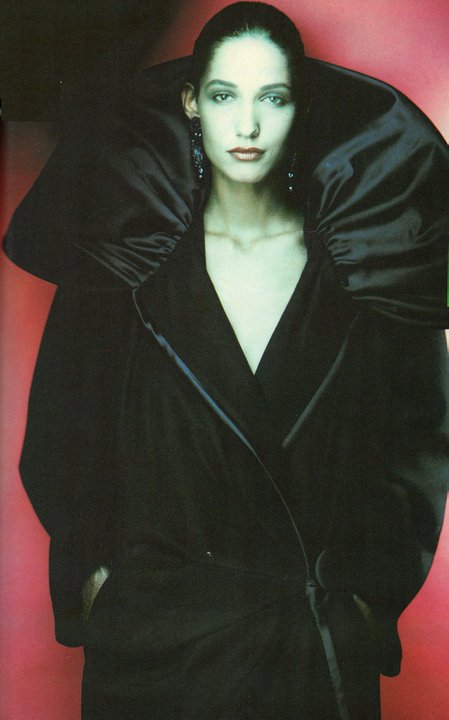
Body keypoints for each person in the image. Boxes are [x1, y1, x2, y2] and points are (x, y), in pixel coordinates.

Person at [3, 3, 449, 719]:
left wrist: (366, 603)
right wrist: (101, 587)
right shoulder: (125, 260)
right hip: (155, 649)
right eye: (223, 95)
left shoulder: (366, 264)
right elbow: (62, 431)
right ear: (190, 103)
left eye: (272, 97)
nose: (247, 125)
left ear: (301, 107)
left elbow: (416, 439)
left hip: (306, 647)